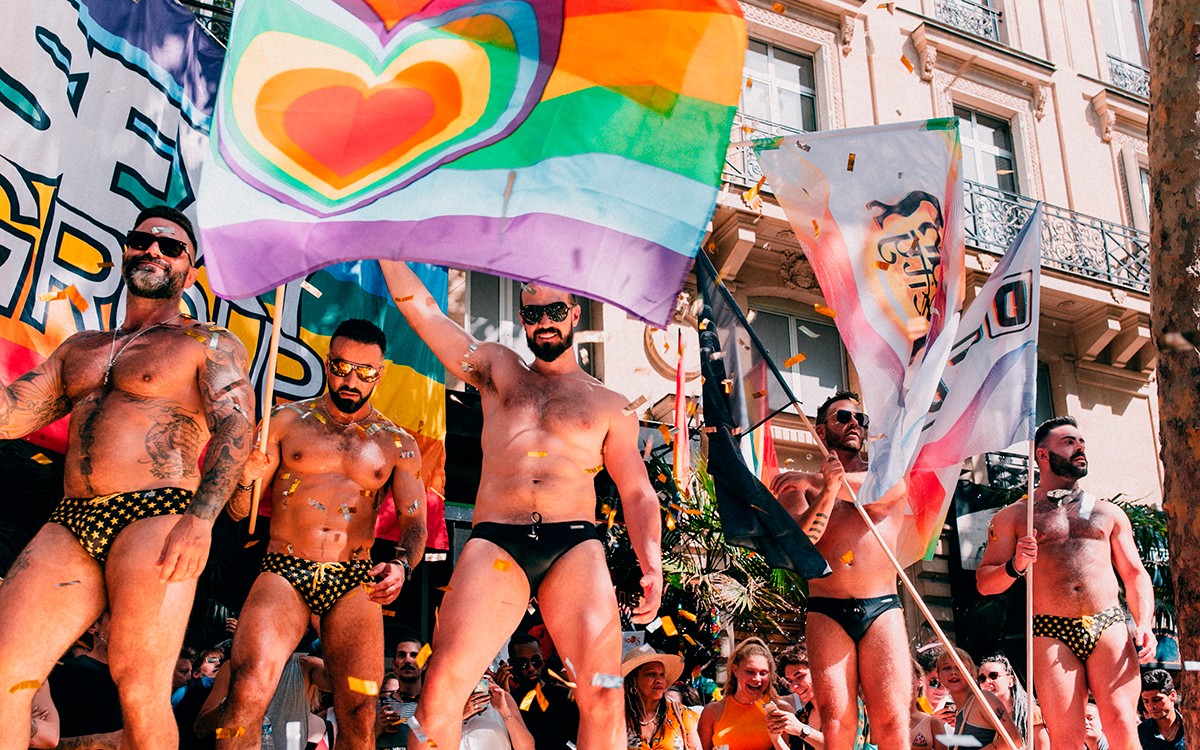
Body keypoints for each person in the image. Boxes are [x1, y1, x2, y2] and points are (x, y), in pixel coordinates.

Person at [0, 204, 255, 750]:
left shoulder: (206, 342)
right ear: (125, 250)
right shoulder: (81, 348)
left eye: (170, 247)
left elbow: (237, 432)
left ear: (191, 268)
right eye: (143, 241)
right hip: (72, 517)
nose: (153, 251)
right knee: (3, 673)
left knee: (140, 687)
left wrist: (201, 521)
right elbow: (11, 414)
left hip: (157, 514)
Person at [380, 261, 662, 749]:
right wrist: (383, 248)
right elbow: (425, 314)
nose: (544, 321)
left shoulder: (610, 405)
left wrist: (650, 563)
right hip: (497, 540)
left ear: (575, 314)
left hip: (574, 543)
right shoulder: (497, 369)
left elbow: (637, 492)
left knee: (605, 693)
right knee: (441, 688)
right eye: (532, 313)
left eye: (555, 310)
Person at [217, 318, 427, 750]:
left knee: (359, 710)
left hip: (354, 579)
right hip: (284, 568)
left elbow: (416, 525)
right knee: (248, 687)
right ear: (326, 363)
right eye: (341, 366)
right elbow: (239, 511)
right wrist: (244, 481)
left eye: (365, 372)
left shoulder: (397, 443)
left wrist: (403, 565)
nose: (351, 380)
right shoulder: (283, 421)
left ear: (380, 373)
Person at [977, 416, 1155, 750]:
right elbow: (985, 583)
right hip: (1050, 630)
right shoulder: (1015, 516)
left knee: (1121, 725)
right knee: (1066, 740)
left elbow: (1135, 574)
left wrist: (1144, 623)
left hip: (1109, 623)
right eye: (1069, 442)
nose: (1079, 448)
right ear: (1042, 455)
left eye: (1081, 443)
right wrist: (1016, 565)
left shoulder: (1108, 513)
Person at [770, 392, 912, 750]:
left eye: (860, 419)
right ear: (821, 430)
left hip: (881, 606)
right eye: (843, 417)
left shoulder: (887, 475)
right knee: (836, 721)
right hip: (827, 608)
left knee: (893, 718)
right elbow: (802, 542)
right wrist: (826, 487)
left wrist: (814, 480)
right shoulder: (798, 488)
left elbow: (879, 494)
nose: (854, 424)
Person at [47, 612, 123, 749]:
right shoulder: (65, 675)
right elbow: (39, 739)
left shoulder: (144, 684)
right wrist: (102, 741)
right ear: (93, 626)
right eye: (118, 617)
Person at [698, 637, 786, 750]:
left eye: (763, 673)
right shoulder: (712, 712)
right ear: (735, 670)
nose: (757, 679)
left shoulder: (781, 710)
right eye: (750, 672)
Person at [497, 631, 579, 749]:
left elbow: (578, 738)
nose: (531, 668)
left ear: (542, 658)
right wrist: (506, 697)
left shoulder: (561, 695)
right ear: (511, 664)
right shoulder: (510, 700)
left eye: (536, 661)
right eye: (523, 664)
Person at [935, 648, 1022, 750]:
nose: (953, 672)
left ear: (972, 673)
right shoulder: (958, 713)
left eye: (959, 666)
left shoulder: (984, 699)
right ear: (939, 676)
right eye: (946, 668)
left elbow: (1014, 739)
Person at [622, 644, 701, 750]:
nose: (659, 680)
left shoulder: (681, 715)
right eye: (651, 674)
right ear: (633, 680)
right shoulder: (618, 717)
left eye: (662, 675)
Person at [974, 654, 1048, 749]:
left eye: (993, 676)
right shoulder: (981, 717)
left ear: (1011, 681)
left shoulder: (1030, 713)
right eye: (982, 679)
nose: (987, 682)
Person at [460, 673, 535, 750]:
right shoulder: (449, 704)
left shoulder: (502, 698)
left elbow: (527, 748)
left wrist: (504, 711)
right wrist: (458, 717)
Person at [377, 634, 425, 749]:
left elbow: (433, 743)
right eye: (402, 655)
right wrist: (378, 727)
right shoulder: (379, 705)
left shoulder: (433, 704)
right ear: (394, 665)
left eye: (414, 655)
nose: (408, 660)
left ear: (424, 664)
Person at [775, 645, 824, 750]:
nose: (794, 687)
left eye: (800, 677)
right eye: (790, 681)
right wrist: (775, 737)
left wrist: (801, 729)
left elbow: (844, 746)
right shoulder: (801, 716)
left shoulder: (845, 706)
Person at [1137, 669, 1184, 750]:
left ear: (1172, 695)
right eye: (1146, 701)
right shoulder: (1141, 733)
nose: (1151, 706)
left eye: (1156, 699)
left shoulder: (1189, 727)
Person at [908, 659, 947, 750]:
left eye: (945, 683)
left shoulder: (933, 722)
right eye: (934, 683)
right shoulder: (880, 718)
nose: (940, 688)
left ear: (920, 681)